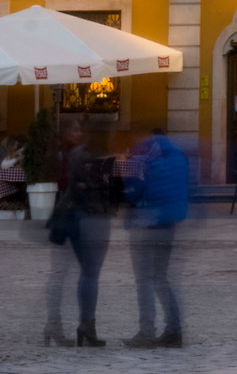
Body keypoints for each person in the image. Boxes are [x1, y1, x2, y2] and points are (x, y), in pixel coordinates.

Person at [44, 125, 116, 347]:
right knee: (90, 274)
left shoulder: (75, 154)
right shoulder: (104, 158)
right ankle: (86, 325)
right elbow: (109, 189)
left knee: (62, 274)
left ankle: (54, 324)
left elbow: (71, 185)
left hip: (70, 217)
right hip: (94, 218)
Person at [124, 127, 189, 349]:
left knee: (144, 279)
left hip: (147, 221)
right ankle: (174, 331)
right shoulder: (178, 155)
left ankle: (146, 331)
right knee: (161, 277)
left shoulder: (146, 156)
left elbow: (138, 189)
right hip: (170, 222)